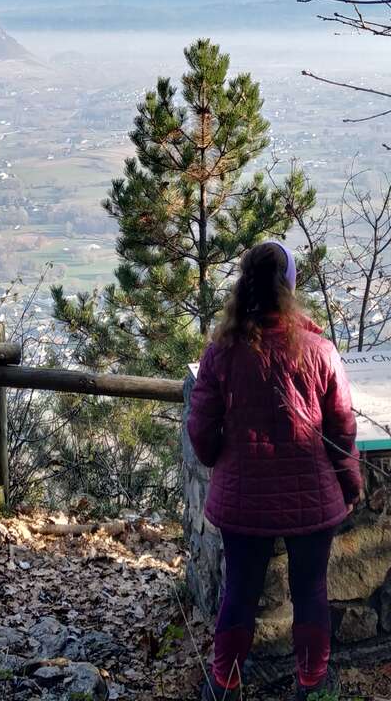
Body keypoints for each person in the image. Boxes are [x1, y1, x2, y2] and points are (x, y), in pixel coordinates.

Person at [187, 241, 362, 701]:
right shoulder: (318, 350)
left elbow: (202, 432)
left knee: (239, 593)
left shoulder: (221, 352)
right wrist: (351, 481)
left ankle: (223, 685)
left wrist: (224, 461)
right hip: (312, 495)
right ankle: (312, 684)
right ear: (290, 287)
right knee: (311, 592)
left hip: (242, 500)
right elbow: (342, 426)